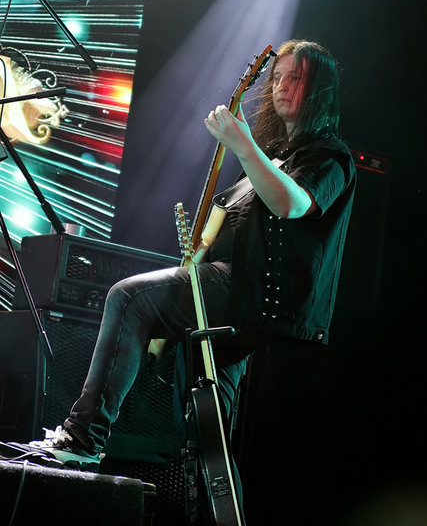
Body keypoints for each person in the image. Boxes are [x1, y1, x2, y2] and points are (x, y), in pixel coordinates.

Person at [29, 38, 356, 515]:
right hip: (231, 296)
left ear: (320, 89)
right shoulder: (274, 153)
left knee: (129, 298)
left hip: (252, 295)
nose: (282, 86)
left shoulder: (329, 155)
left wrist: (242, 146)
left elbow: (291, 204)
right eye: (278, 77)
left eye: (296, 77)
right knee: (209, 432)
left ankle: (84, 436)